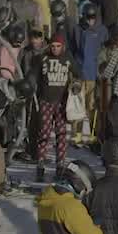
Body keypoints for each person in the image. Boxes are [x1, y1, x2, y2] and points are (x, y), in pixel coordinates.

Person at [33, 33, 78, 182]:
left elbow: (78, 74)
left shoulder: (68, 59)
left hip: (61, 102)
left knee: (61, 134)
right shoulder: (42, 59)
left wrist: (76, 84)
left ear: (63, 46)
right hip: (45, 100)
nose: (55, 49)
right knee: (43, 133)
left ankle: (60, 165)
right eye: (52, 46)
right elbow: (33, 76)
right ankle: (40, 164)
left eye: (58, 46)